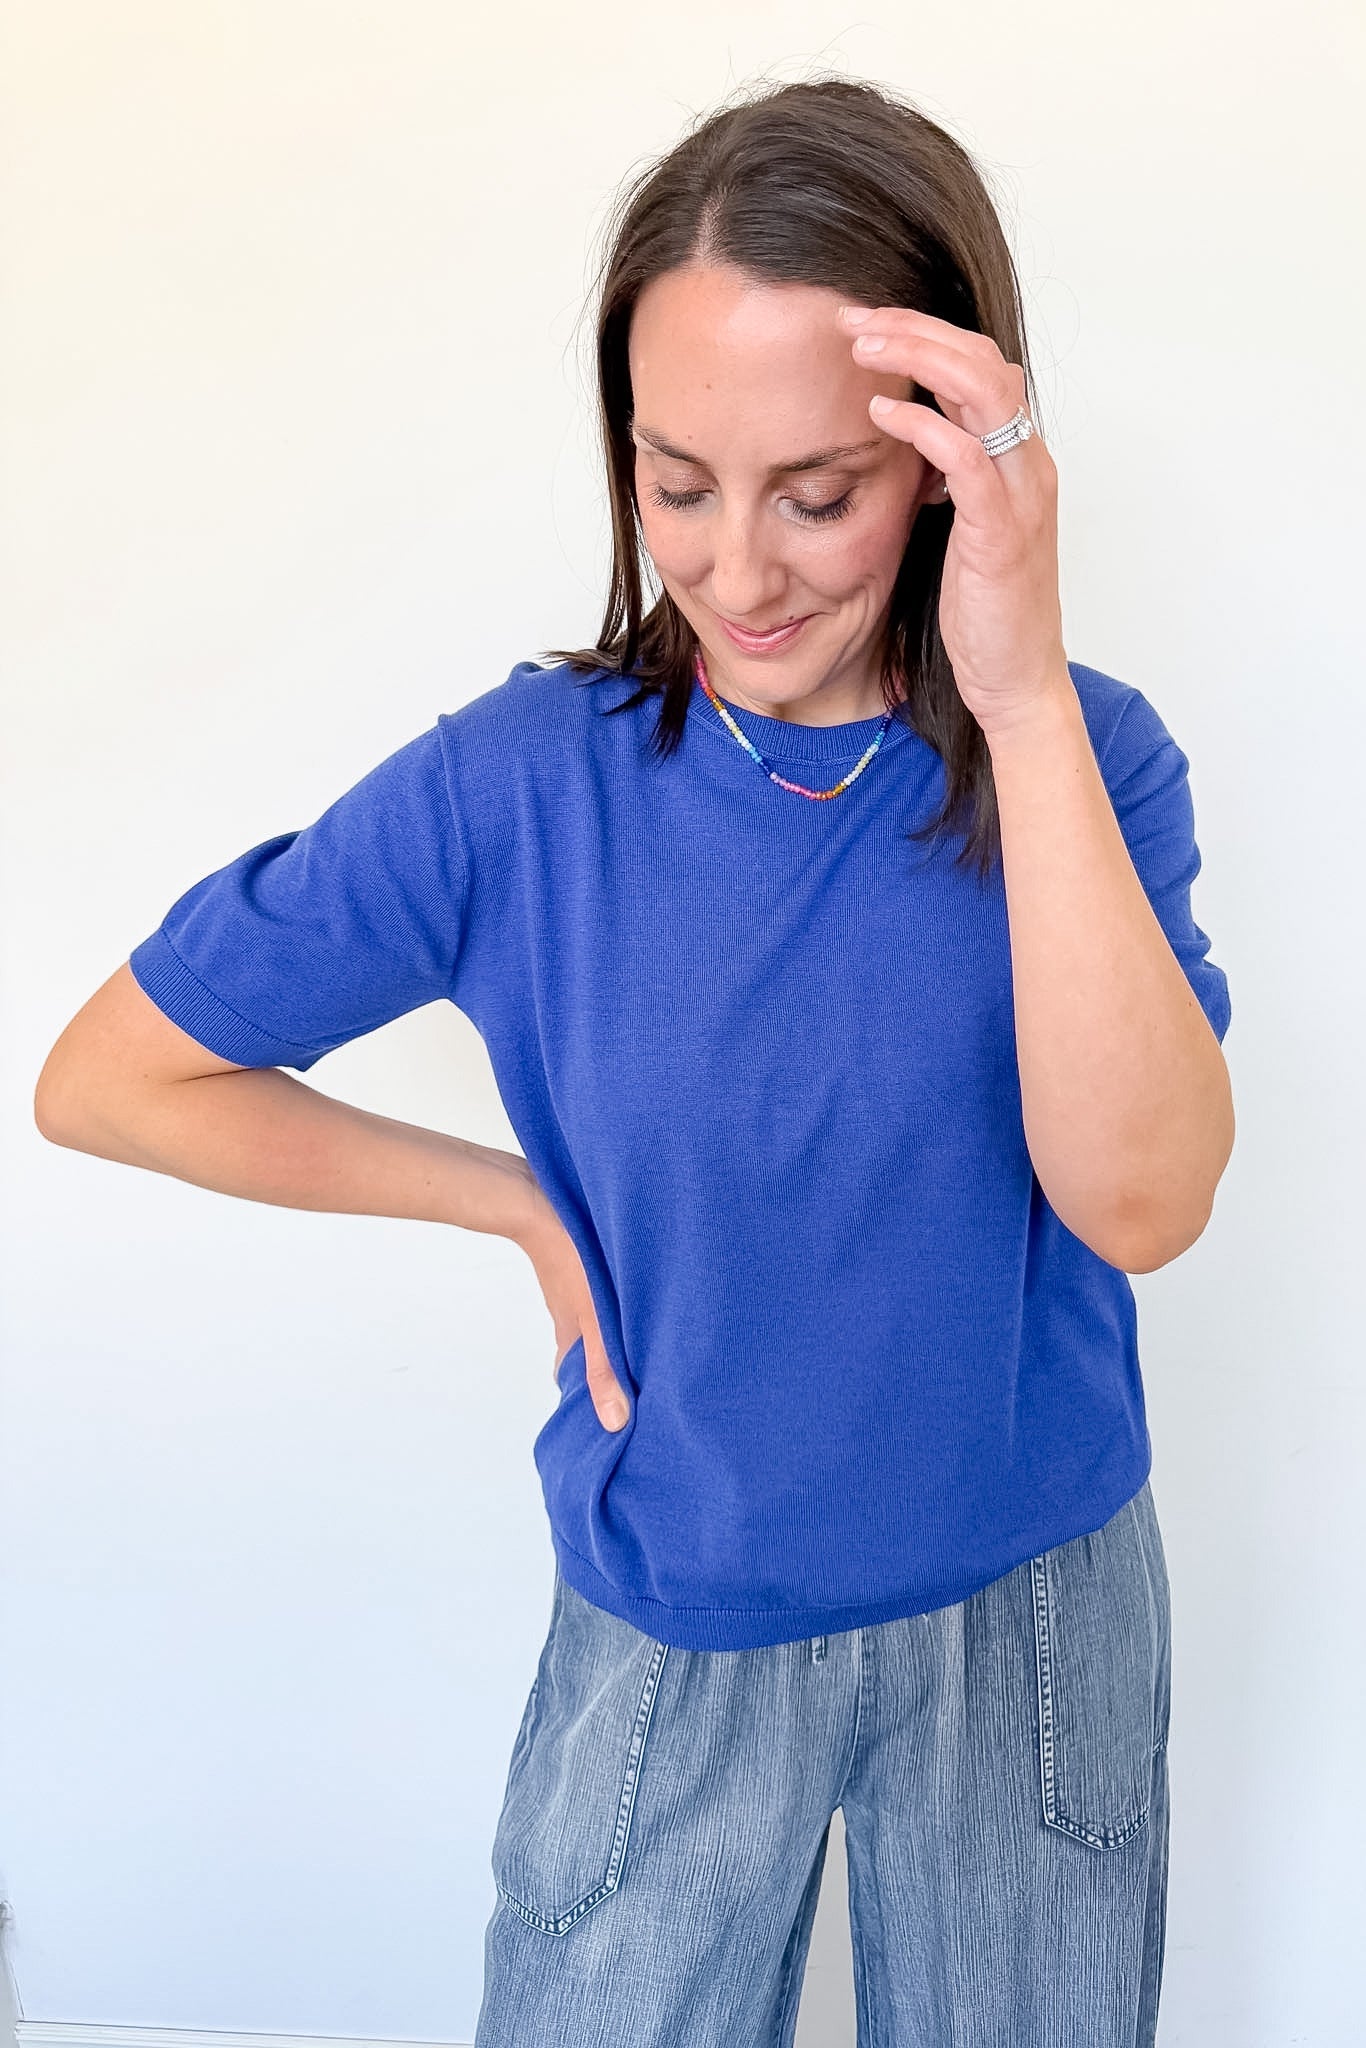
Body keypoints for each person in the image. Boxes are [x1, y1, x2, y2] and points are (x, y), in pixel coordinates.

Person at [34, 73, 1233, 2048]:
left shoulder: (1084, 763)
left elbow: (1142, 1199)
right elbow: (107, 1076)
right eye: (674, 482)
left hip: (1038, 1616)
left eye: (815, 494)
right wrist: (501, 1195)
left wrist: (1015, 693)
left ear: (945, 461)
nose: (735, 571)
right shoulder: (516, 791)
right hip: (675, 1610)